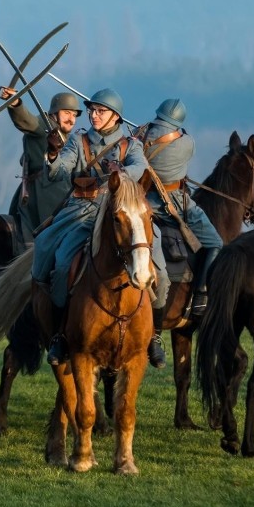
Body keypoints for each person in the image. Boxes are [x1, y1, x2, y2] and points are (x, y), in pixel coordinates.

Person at [32, 88, 166, 366]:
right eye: (92, 110)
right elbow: (58, 171)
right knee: (58, 263)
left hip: (121, 212)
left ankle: (154, 335)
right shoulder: (77, 141)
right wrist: (54, 152)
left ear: (115, 116)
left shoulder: (131, 145)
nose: (94, 115)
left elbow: (139, 168)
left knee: (160, 267)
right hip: (83, 212)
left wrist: (119, 173)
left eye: (100, 111)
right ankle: (60, 335)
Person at [136, 99, 224, 368]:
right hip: (173, 202)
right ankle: (200, 294)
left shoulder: (140, 134)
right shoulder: (186, 143)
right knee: (215, 242)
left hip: (143, 202)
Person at [0, 87, 81, 242]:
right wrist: (16, 103)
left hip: (62, 187)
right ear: (54, 113)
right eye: (67, 113)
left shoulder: (72, 138)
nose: (72, 119)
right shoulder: (44, 124)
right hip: (42, 191)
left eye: (74, 115)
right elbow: (26, 120)